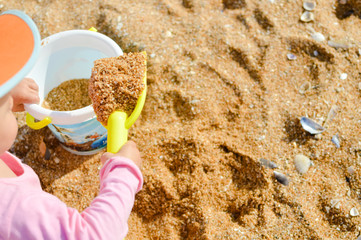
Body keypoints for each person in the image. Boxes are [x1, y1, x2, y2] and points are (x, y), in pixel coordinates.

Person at [0, 10, 143, 239]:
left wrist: (8, 90)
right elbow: (94, 234)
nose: (10, 101)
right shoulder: (18, 211)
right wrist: (123, 174)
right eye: (5, 104)